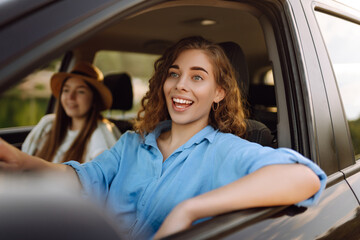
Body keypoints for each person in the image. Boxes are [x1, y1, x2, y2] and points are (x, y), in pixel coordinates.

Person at [0, 37, 327, 240]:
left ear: (218, 93)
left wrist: (189, 209)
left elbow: (305, 177)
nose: (180, 85)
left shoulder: (223, 150)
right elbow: (86, 177)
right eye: (174, 73)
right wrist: (24, 162)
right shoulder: (132, 143)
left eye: (197, 77)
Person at [21, 62, 120, 163]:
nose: (70, 97)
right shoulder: (48, 124)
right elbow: (26, 161)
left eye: (80, 91)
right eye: (66, 90)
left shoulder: (100, 131)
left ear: (94, 99)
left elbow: (105, 171)